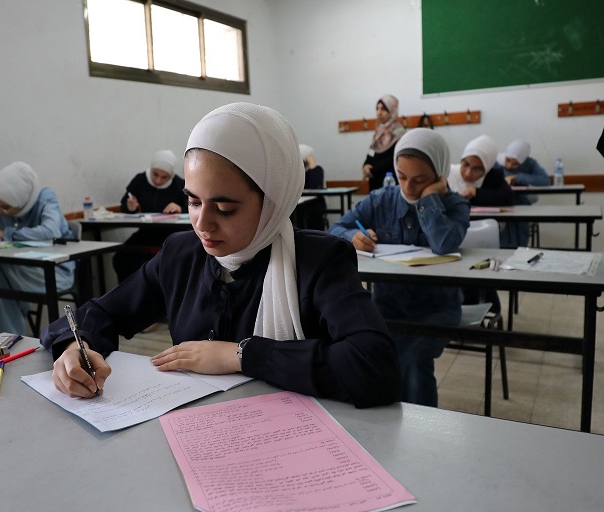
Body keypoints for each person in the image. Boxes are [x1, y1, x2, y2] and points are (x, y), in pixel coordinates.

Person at [43, 102, 399, 408]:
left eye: (225, 209)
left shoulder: (317, 261)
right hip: (197, 434)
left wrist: (242, 354)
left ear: (273, 201)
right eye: (193, 201)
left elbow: (375, 367)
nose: (202, 224)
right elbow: (103, 312)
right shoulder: (181, 254)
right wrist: (77, 347)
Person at [329, 128, 470, 407]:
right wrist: (353, 237)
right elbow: (335, 229)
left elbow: (444, 243)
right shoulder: (382, 199)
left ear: (440, 175)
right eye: (402, 176)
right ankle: (377, 421)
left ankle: (419, 429)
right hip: (387, 308)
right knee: (358, 352)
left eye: (420, 180)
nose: (408, 187)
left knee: (415, 359)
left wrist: (429, 200)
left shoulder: (456, 204)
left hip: (437, 310)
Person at [0, 162, 76, 340]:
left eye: (6, 207)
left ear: (23, 201)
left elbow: (51, 231)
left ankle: (5, 340)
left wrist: (6, 233)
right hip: (14, 269)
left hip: (53, 271)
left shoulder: (45, 198)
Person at [111, 150, 188, 284]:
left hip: (172, 236)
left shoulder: (179, 185)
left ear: (171, 176)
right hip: (146, 232)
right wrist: (130, 207)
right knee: (121, 258)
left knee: (171, 263)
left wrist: (180, 209)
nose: (158, 180)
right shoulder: (140, 180)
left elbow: (194, 209)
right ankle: (129, 294)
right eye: (155, 174)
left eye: (164, 177)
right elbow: (124, 205)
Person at [499, 140, 549, 247]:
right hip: (500, 202)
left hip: (520, 202)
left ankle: (520, 248)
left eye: (515, 163)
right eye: (508, 160)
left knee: (521, 222)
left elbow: (545, 181)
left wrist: (518, 177)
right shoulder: (497, 161)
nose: (510, 165)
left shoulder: (530, 163)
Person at [447, 135, 514, 207]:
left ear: (487, 169)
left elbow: (508, 197)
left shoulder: (492, 176)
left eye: (477, 169)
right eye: (466, 164)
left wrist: (475, 192)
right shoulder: (446, 173)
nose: (468, 174)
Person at [362, 94, 406, 191]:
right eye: (377, 109)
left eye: (383, 109)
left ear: (392, 111)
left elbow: (393, 158)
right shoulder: (378, 133)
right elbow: (371, 153)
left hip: (392, 184)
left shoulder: (399, 132)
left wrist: (373, 169)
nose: (379, 113)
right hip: (375, 184)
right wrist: (365, 165)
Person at [292, 144, 327, 230]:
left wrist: (312, 168)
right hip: (298, 205)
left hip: (314, 204)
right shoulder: (295, 171)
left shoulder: (317, 169)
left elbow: (314, 187)